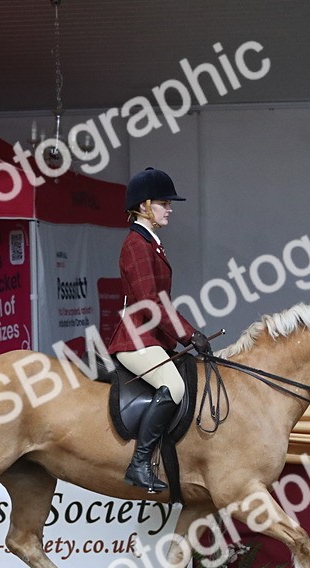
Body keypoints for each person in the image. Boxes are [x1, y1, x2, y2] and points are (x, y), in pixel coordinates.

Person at [107, 167, 211, 493]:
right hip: (136, 337)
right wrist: (189, 334)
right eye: (164, 202)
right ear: (144, 205)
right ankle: (139, 463)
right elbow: (151, 302)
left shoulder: (151, 244)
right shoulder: (136, 245)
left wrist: (185, 334)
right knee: (174, 386)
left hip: (151, 335)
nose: (169, 208)